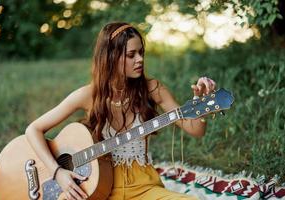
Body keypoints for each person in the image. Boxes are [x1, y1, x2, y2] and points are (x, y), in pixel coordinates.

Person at [25, 22, 216, 200]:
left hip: (145, 187)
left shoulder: (153, 89)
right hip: (99, 189)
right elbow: (33, 129)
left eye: (141, 53)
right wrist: (58, 173)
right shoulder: (88, 95)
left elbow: (196, 130)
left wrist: (200, 102)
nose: (140, 59)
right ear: (111, 57)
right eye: (131, 55)